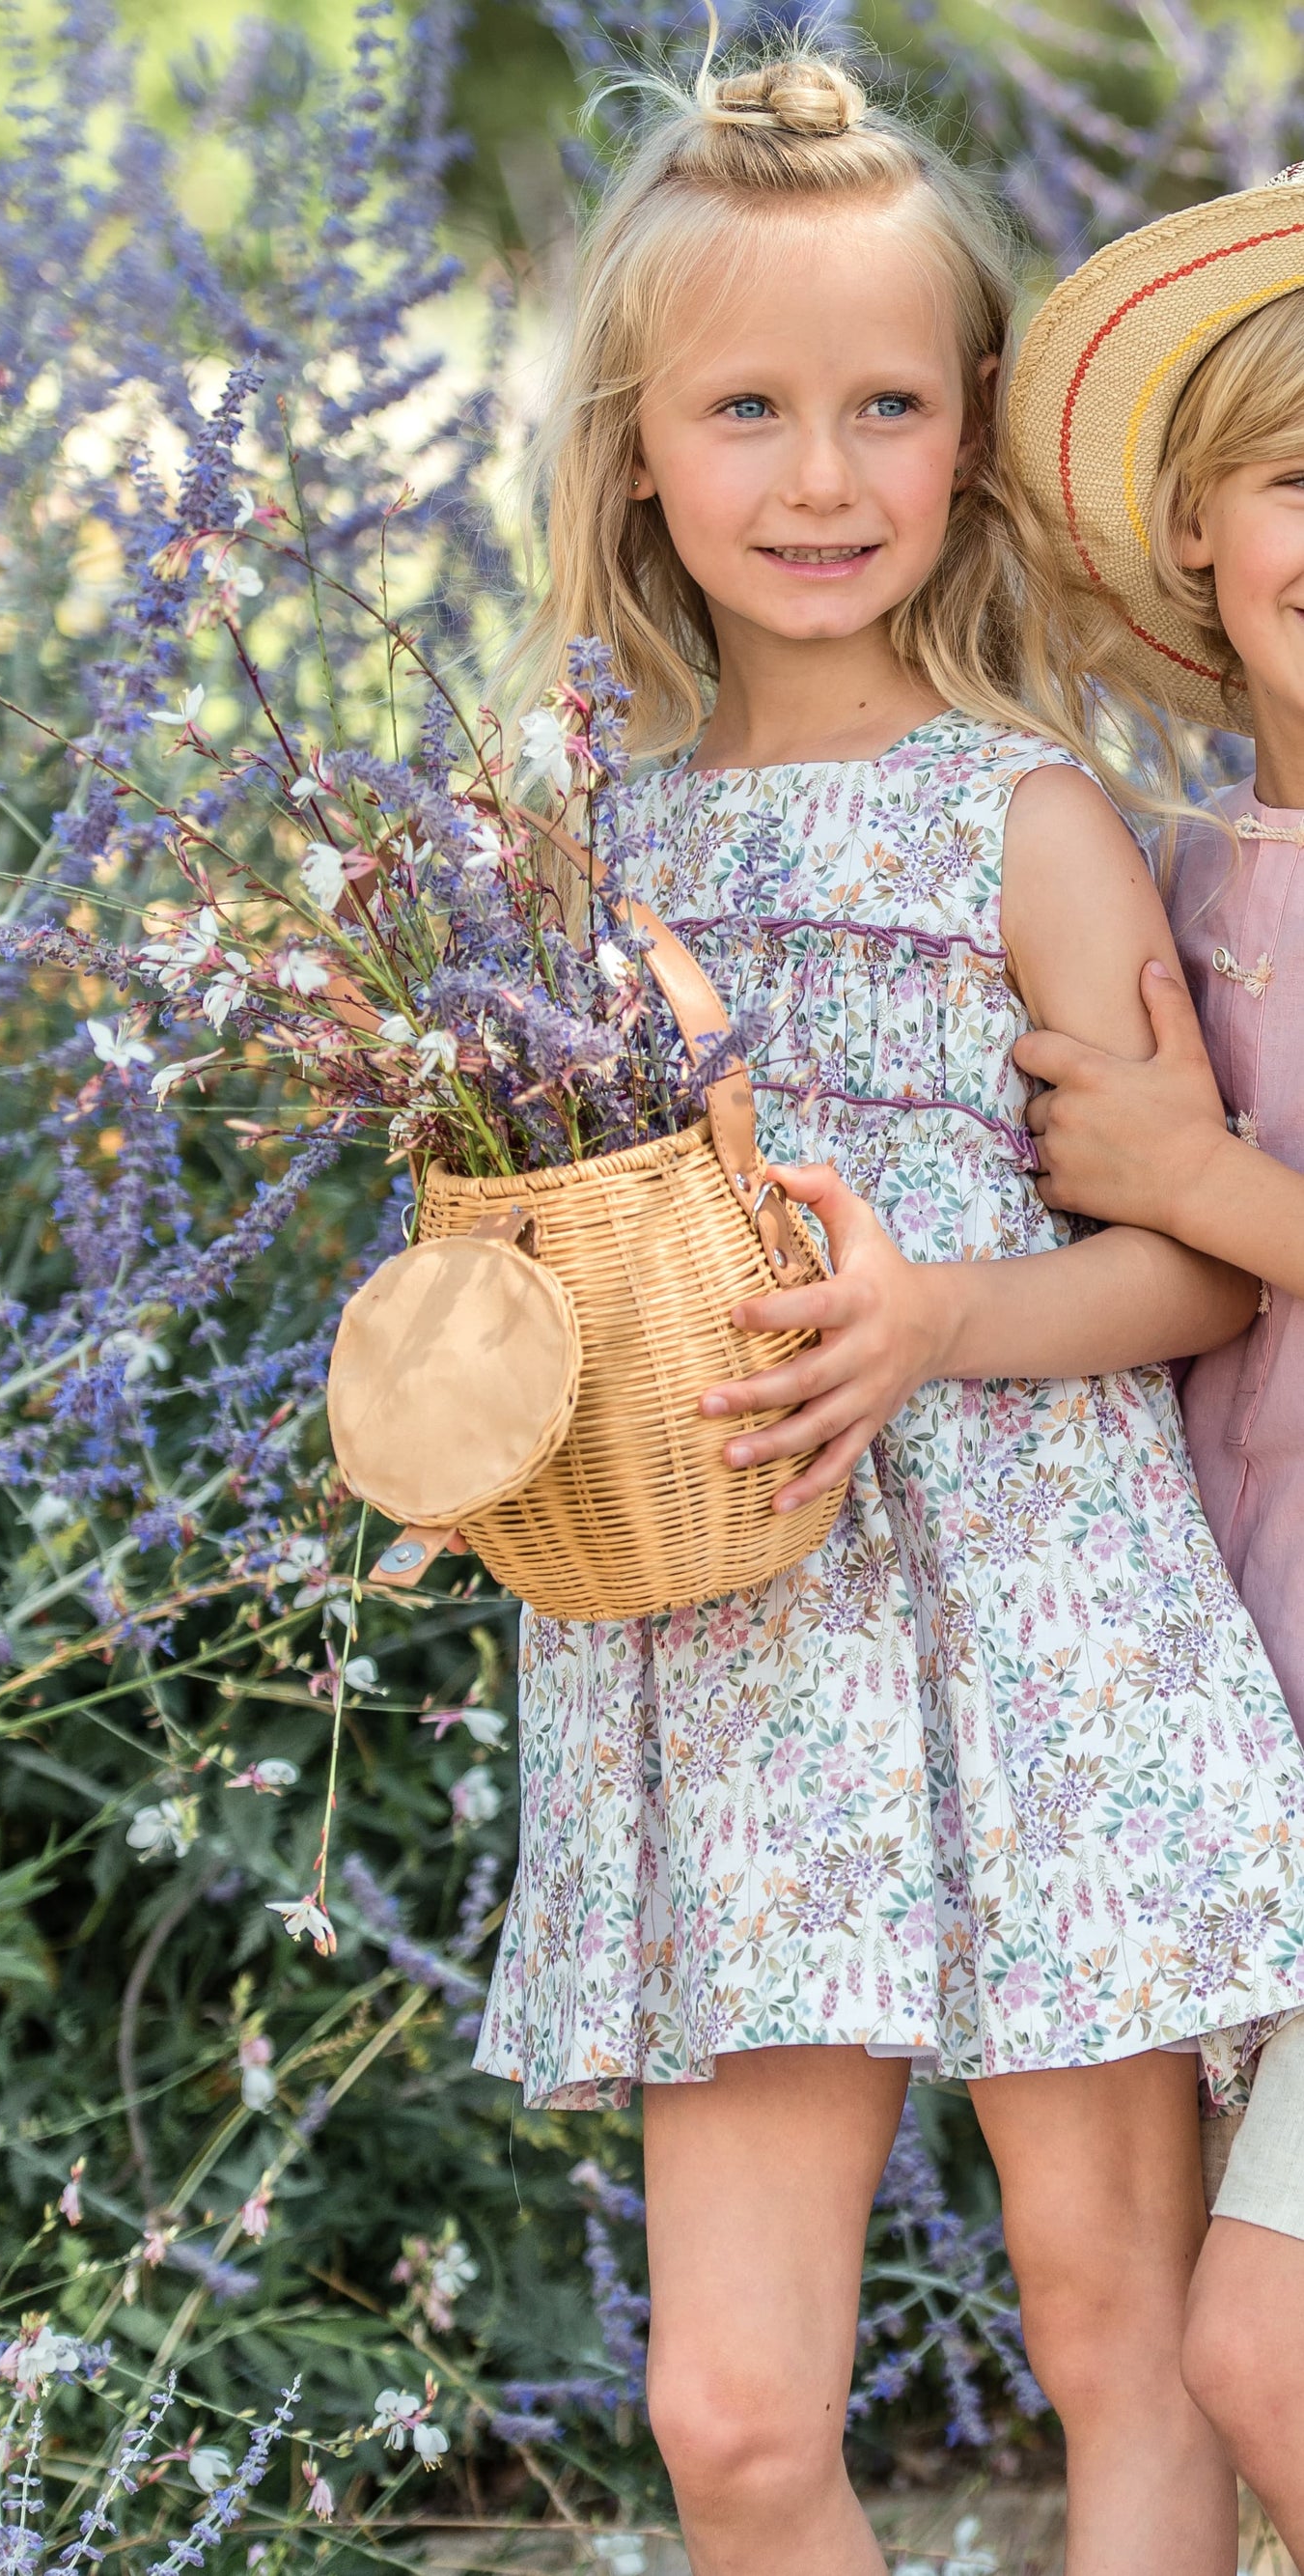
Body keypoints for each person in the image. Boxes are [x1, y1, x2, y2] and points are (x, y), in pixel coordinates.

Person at [477, 42, 1304, 2574]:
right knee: (729, 2415)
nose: (819, 478)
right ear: (631, 444)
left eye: (882, 407)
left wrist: (929, 1317)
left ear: (959, 436)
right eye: (745, 409)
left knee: (1113, 2346)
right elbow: (513, 1221)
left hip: (1050, 1633)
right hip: (725, 1659)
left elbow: (1176, 1255)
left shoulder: (1025, 817)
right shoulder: (572, 843)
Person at [1007, 173, 1304, 2564]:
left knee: (1259, 2350)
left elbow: (1192, 1220)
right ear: (1199, 527)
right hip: (1225, 1735)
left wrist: (1203, 1190)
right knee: (1183, 2340)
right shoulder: (1179, 873)